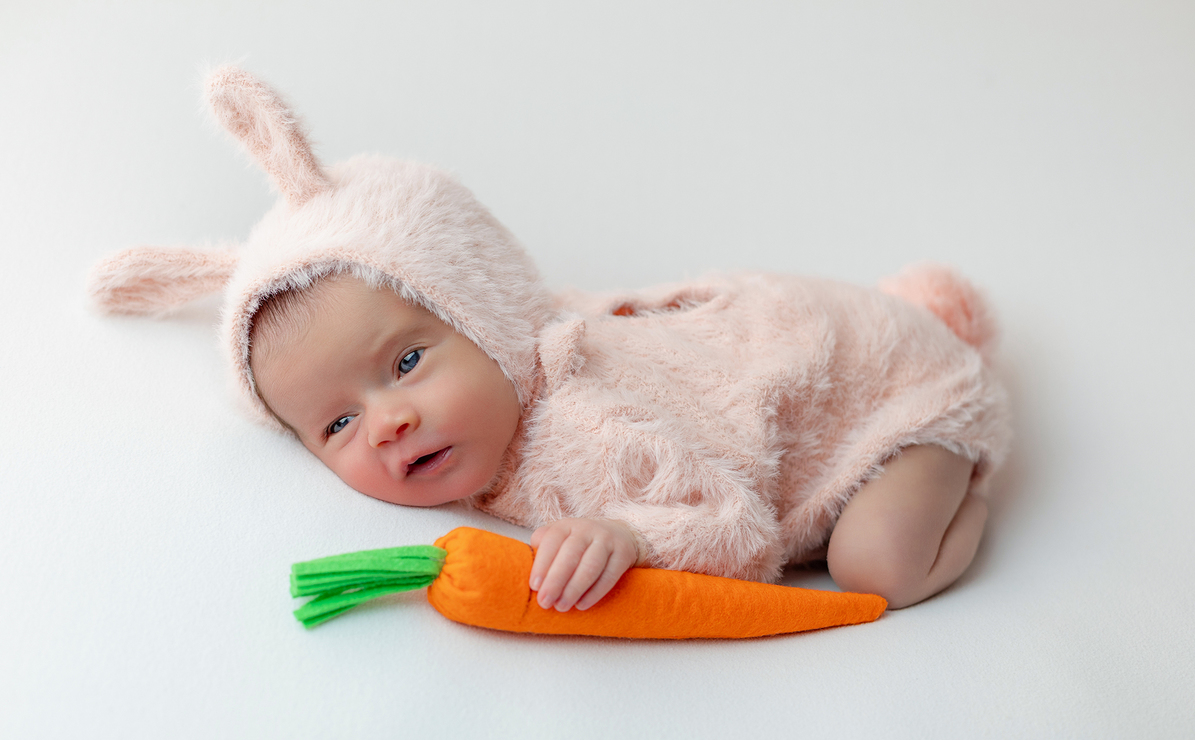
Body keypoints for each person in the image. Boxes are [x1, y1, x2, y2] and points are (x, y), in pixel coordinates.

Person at [89, 66, 1011, 614]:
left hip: (896, 384)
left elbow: (742, 530)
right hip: (813, 339)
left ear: (486, 319)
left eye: (406, 364)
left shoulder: (584, 420)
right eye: (334, 425)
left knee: (872, 567)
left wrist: (625, 532)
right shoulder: (499, 394)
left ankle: (972, 471)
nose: (388, 425)